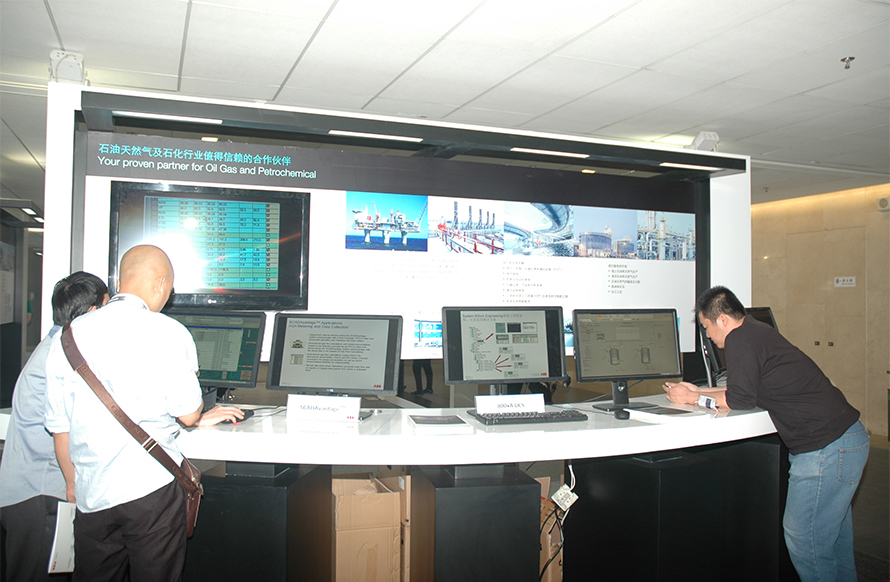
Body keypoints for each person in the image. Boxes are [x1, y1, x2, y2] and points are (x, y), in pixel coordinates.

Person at [43, 245, 244, 582]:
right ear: (161, 283)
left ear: (120, 281)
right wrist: (199, 409)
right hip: (151, 489)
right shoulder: (169, 331)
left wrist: (73, 484)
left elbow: (59, 426)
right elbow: (188, 414)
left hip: (92, 494)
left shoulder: (67, 336)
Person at [664, 286, 869, 582]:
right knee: (833, 542)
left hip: (826, 450)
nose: (707, 336)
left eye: (707, 327)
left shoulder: (738, 340)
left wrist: (693, 399)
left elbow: (740, 399)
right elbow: (747, 387)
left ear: (722, 320)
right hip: (848, 440)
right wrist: (699, 390)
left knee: (805, 541)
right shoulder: (756, 331)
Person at [0, 272, 108, 582]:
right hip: (40, 495)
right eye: (106, 307)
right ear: (92, 312)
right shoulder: (63, 357)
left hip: (31, 493)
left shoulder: (56, 346)